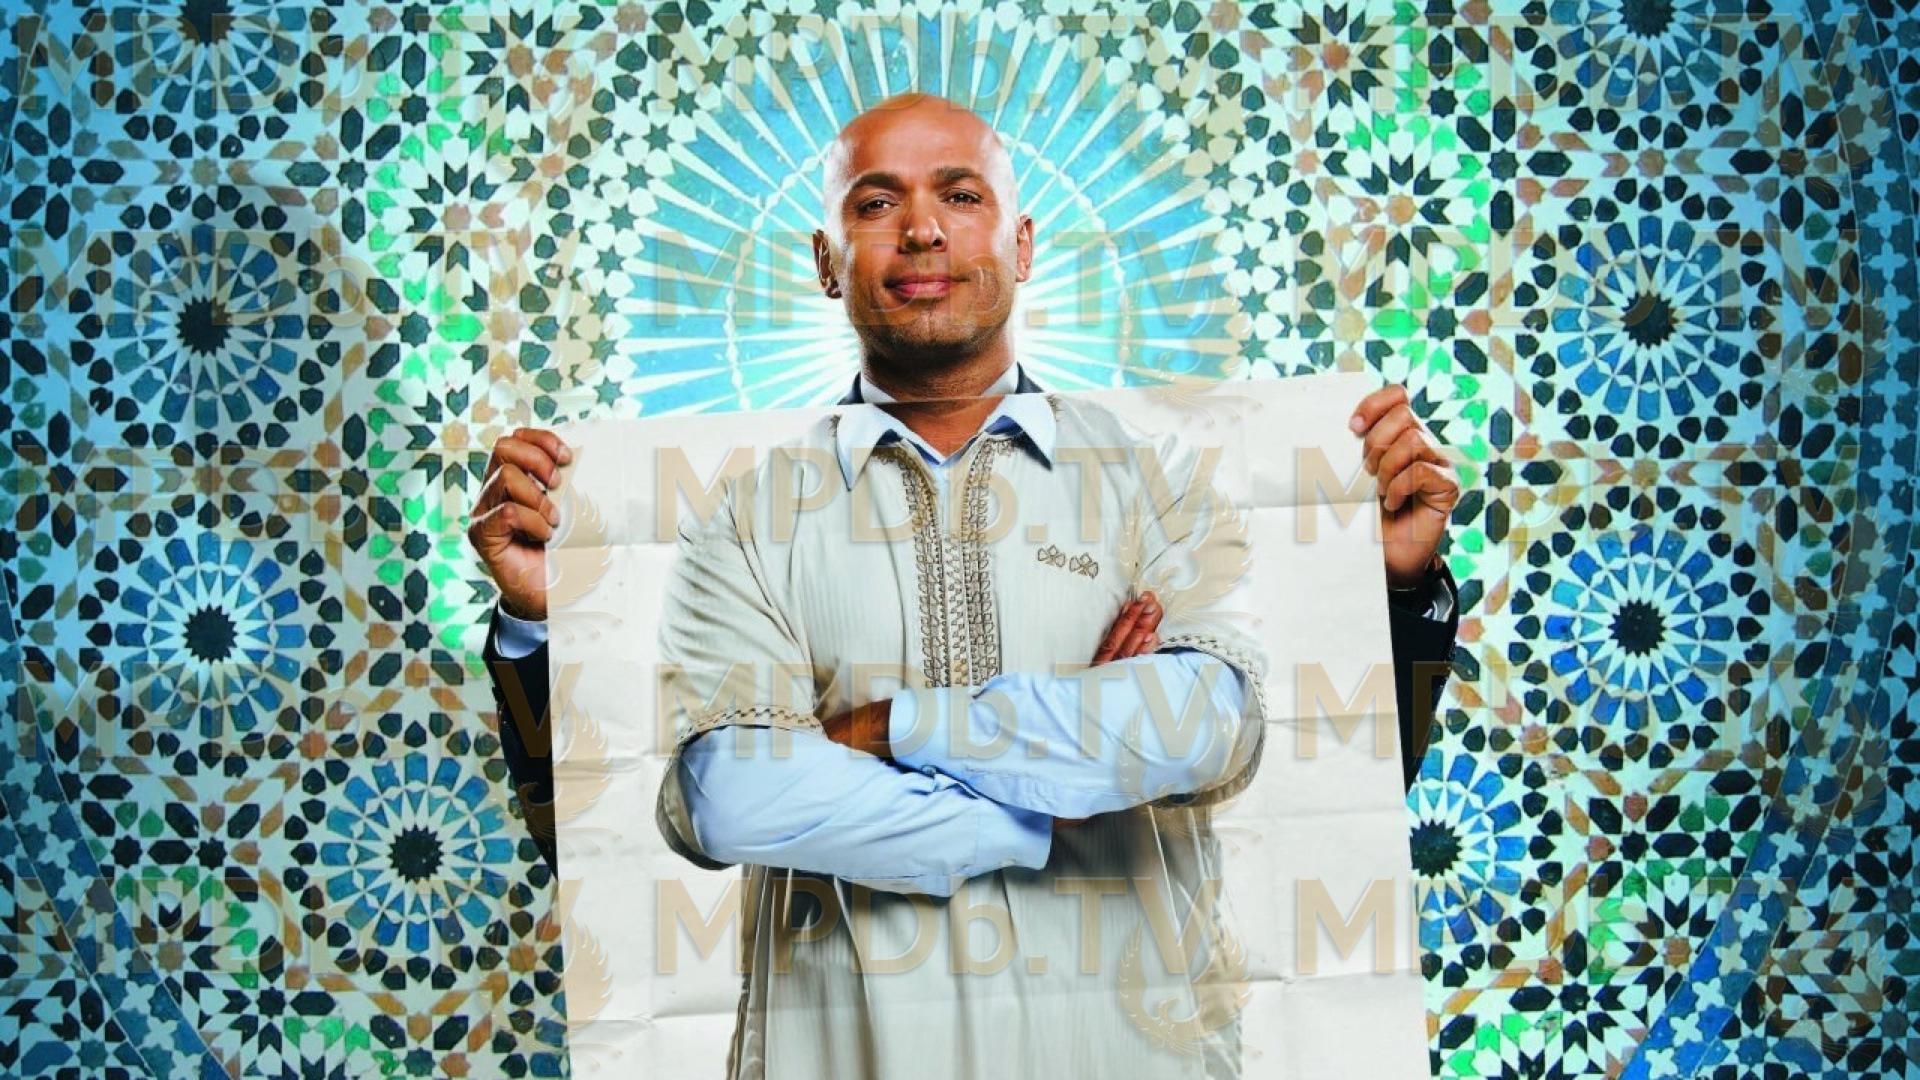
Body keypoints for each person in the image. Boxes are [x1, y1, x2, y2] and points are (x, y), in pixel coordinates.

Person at [468, 93, 1461, 1079]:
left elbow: (1206, 728)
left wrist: (882, 729)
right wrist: (1064, 783)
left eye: (961, 195)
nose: (923, 230)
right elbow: (728, 797)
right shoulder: (743, 516)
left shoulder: (1157, 480)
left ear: (1022, 245)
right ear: (825, 261)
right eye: (875, 203)